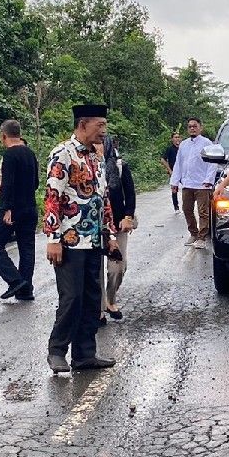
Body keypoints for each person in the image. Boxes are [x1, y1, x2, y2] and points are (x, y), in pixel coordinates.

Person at [44, 104, 120, 373]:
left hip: (94, 242)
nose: (104, 131)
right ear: (83, 124)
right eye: (99, 125)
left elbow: (103, 200)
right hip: (69, 241)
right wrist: (53, 238)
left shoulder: (96, 159)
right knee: (71, 297)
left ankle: (84, 354)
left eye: (104, 125)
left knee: (91, 298)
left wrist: (110, 235)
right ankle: (57, 350)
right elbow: (52, 196)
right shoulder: (63, 153)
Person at [0, 119, 39, 301]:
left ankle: (14, 280)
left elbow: (7, 184)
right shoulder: (30, 153)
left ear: (3, 135)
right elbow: (36, 183)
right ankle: (26, 290)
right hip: (30, 207)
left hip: (13, 209)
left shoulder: (9, 155)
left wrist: (7, 208)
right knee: (27, 248)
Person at [97, 136, 136, 322]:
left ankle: (110, 298)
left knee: (117, 267)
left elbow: (130, 195)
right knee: (95, 269)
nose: (97, 148)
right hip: (94, 226)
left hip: (117, 224)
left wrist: (128, 217)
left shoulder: (120, 167)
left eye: (100, 144)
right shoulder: (83, 165)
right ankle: (99, 309)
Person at [169, 118, 215, 249]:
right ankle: (193, 233)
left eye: (195, 126)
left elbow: (213, 163)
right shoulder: (184, 144)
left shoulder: (207, 143)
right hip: (187, 183)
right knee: (187, 209)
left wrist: (208, 180)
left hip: (202, 184)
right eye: (190, 126)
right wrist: (175, 181)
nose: (192, 128)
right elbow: (179, 163)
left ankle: (202, 237)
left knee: (203, 212)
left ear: (200, 127)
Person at [160, 130, 182, 212]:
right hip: (174, 172)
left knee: (187, 189)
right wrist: (169, 170)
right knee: (174, 189)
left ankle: (187, 206)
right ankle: (176, 207)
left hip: (184, 172)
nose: (177, 139)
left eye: (178, 137)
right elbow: (162, 159)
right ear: (172, 139)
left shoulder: (183, 148)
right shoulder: (169, 149)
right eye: (175, 137)